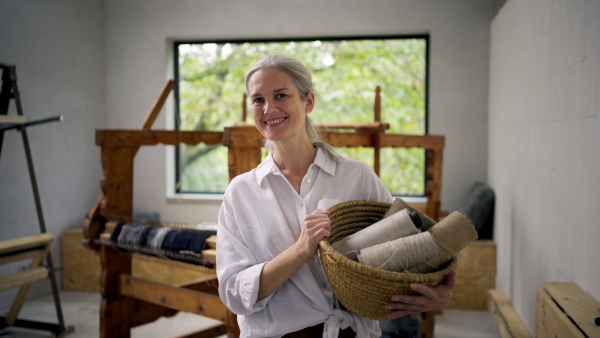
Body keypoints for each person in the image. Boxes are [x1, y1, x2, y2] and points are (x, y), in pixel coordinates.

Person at [216, 54, 455, 338]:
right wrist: (300, 250)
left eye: (280, 95)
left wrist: (441, 292)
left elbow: (413, 246)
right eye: (258, 100)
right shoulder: (240, 192)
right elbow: (233, 293)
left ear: (309, 102)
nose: (269, 108)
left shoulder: (357, 176)